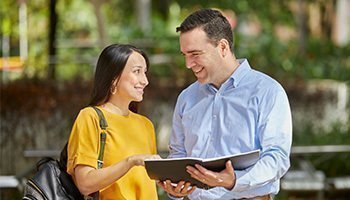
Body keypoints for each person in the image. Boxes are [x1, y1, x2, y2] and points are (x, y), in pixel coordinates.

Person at [158, 8, 292, 200]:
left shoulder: (268, 92)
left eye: (195, 54)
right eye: (184, 55)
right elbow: (179, 153)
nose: (188, 64)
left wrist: (234, 181)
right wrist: (175, 187)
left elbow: (277, 158)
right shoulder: (186, 97)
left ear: (223, 47)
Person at [67, 44, 160, 199]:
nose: (145, 81)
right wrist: (131, 161)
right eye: (137, 71)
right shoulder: (90, 117)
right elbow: (84, 183)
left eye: (145, 72)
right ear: (114, 78)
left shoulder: (146, 125)